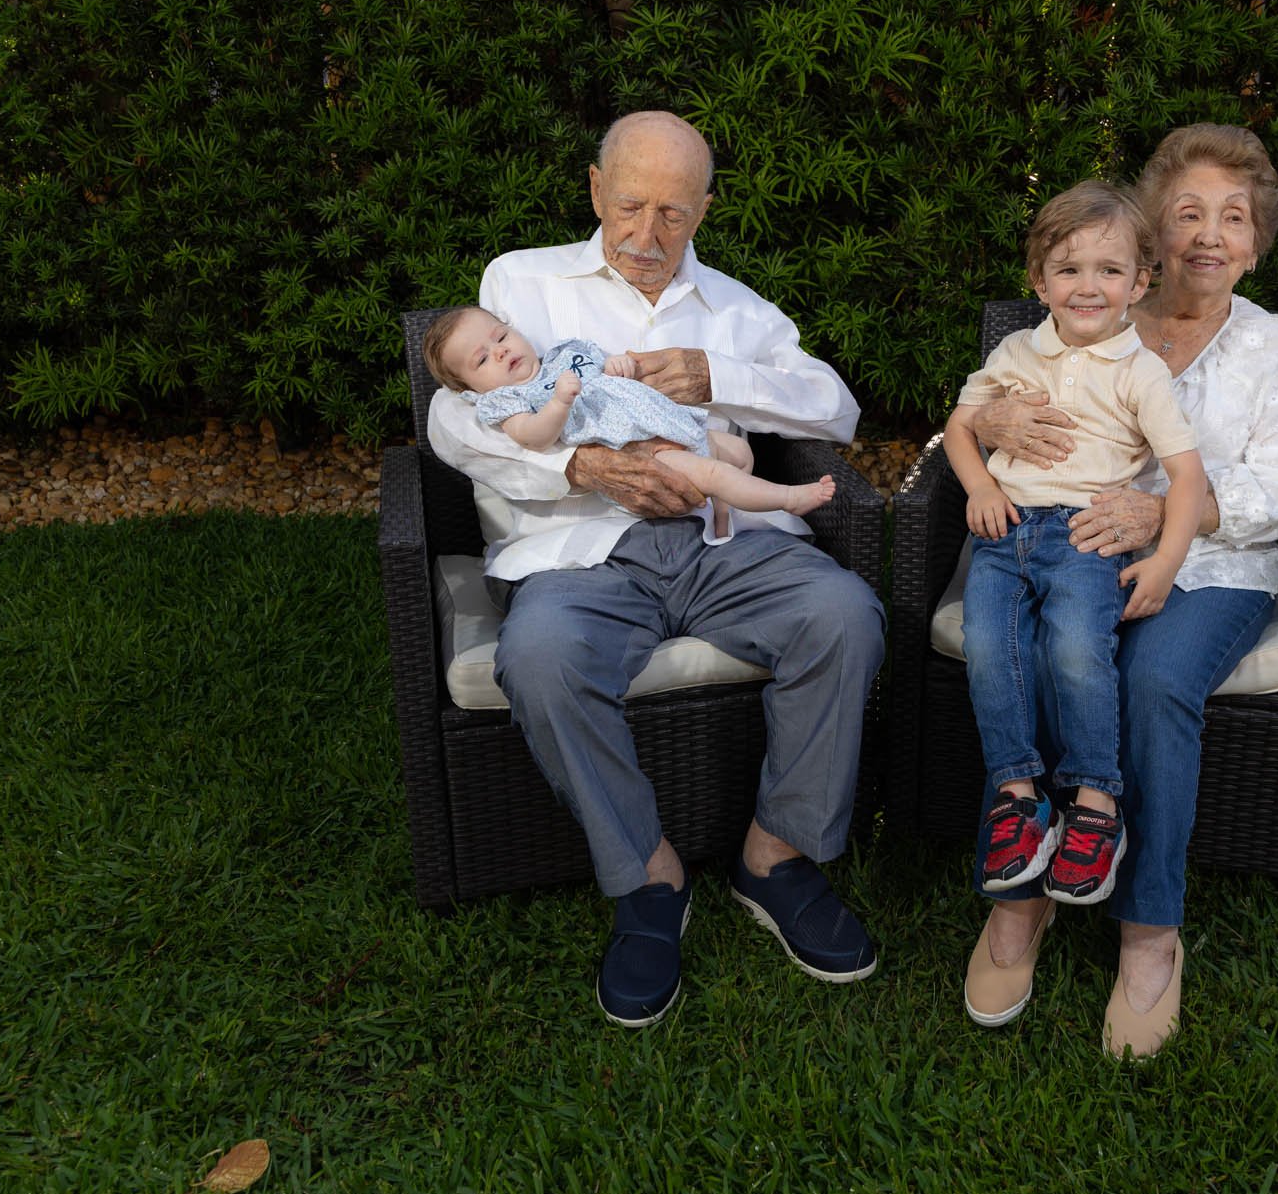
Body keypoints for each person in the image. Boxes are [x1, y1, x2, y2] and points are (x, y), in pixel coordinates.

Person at [429, 110, 884, 1028]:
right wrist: (580, 467)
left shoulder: (736, 310)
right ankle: (649, 877)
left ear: (704, 211)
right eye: (630, 205)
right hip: (579, 552)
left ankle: (777, 856)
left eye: (673, 213)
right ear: (596, 190)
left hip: (723, 538)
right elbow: (452, 419)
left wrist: (718, 376)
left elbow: (837, 410)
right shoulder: (522, 283)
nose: (646, 235)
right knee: (542, 658)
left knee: (844, 615)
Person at [960, 124, 1278, 1059]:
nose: (1209, 235)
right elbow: (966, 427)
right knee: (1038, 644)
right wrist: (991, 422)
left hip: (1212, 563)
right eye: (1189, 213)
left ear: (1256, 242)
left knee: (1155, 679)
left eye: (1233, 219)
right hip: (1070, 543)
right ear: (1153, 232)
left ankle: (1150, 925)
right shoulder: (1089, 312)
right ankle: (1023, 895)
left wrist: (1167, 520)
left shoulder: (1269, 348)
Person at [941, 181, 1206, 919]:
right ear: (1039, 281)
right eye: (1068, 269)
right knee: (988, 645)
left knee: (1077, 651)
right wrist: (978, 487)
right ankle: (1018, 797)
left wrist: (1165, 560)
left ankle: (1096, 802)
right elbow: (960, 426)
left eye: (1109, 270)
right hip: (1004, 532)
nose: (1088, 286)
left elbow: (1187, 475)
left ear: (1139, 283)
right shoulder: (1015, 351)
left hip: (1086, 536)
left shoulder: (1140, 370)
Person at [420, 306, 837, 538]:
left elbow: (605, 370)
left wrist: (618, 366)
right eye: (481, 359)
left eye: (501, 336)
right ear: (469, 389)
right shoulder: (510, 401)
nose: (499, 351)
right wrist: (559, 404)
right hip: (641, 448)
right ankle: (787, 498)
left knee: (740, 453)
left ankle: (723, 519)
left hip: (674, 421)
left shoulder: (563, 356)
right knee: (712, 473)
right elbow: (533, 437)